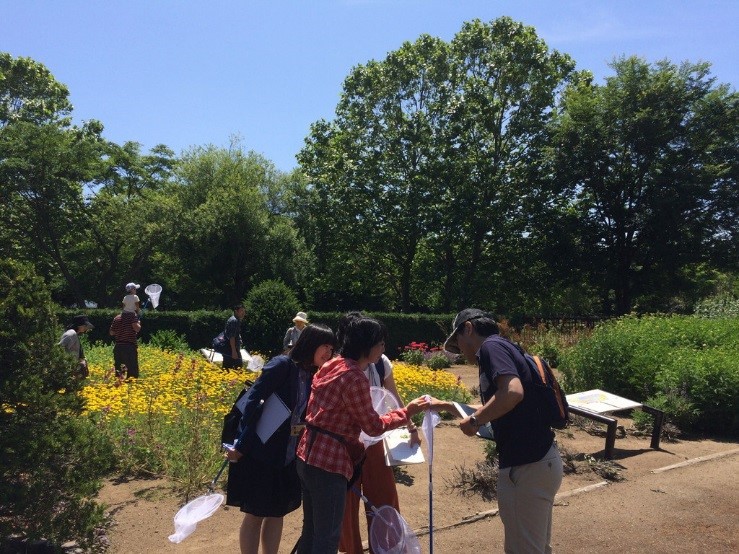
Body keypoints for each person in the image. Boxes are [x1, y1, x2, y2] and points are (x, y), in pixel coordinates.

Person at [430, 309, 563, 553]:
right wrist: (449, 406)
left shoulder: (490, 348)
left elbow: (512, 393)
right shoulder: (507, 346)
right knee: (537, 548)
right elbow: (501, 403)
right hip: (543, 461)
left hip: (525, 466)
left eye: (458, 342)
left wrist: (474, 421)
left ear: (468, 328)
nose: (460, 351)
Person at [295, 316, 429, 554]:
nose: (383, 348)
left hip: (308, 455)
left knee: (311, 531)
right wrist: (407, 412)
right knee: (327, 539)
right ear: (366, 346)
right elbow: (373, 426)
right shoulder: (355, 376)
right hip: (330, 462)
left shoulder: (332, 365)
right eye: (380, 343)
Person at [224, 324, 338, 554]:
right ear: (311, 343)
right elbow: (251, 403)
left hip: (287, 455)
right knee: (255, 512)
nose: (329, 353)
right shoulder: (282, 365)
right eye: (325, 346)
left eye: (332, 348)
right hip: (261, 450)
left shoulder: (313, 374)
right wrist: (242, 445)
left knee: (277, 511)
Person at [337, 313, 421, 554]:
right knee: (347, 502)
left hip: (376, 439)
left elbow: (393, 398)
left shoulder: (381, 362)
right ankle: (351, 549)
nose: (383, 347)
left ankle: (385, 547)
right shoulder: (340, 366)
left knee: (383, 496)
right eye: (379, 342)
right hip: (349, 442)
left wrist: (411, 427)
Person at [109, 310, 142, 378]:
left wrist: (120, 330)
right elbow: (137, 329)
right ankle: (131, 386)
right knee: (132, 372)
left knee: (119, 372)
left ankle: (119, 387)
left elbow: (111, 332)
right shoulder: (133, 317)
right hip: (129, 347)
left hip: (118, 347)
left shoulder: (117, 318)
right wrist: (138, 323)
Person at [223, 303, 246, 370]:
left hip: (230, 348)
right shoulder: (234, 321)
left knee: (228, 368)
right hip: (231, 349)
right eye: (242, 311)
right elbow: (232, 337)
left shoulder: (235, 320)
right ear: (236, 311)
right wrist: (234, 351)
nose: (243, 313)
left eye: (244, 311)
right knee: (237, 368)